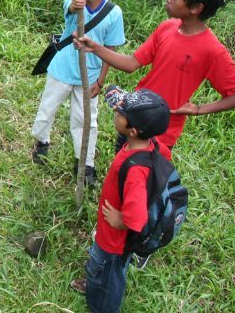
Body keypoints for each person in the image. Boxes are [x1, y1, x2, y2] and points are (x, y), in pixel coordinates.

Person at [75, 0, 235, 160]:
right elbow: (132, 63)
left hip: (162, 132)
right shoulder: (167, 27)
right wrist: (96, 48)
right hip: (132, 117)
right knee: (122, 166)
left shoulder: (212, 50)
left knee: (145, 180)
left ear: (196, 8)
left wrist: (199, 109)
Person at [71, 87, 171, 312]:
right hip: (114, 240)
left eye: (120, 114)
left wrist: (120, 221)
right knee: (106, 271)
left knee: (107, 275)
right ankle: (96, 283)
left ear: (133, 130)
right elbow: (165, 157)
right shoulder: (152, 145)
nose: (116, 113)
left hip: (112, 241)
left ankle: (102, 304)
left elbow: (136, 219)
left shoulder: (135, 171)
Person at [30, 0, 125, 186]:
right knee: (47, 109)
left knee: (85, 122)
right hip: (61, 69)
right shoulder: (71, 2)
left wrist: (100, 82)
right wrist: (75, 4)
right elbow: (70, 8)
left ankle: (85, 163)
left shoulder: (113, 13)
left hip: (89, 76)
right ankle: (41, 142)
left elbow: (109, 50)